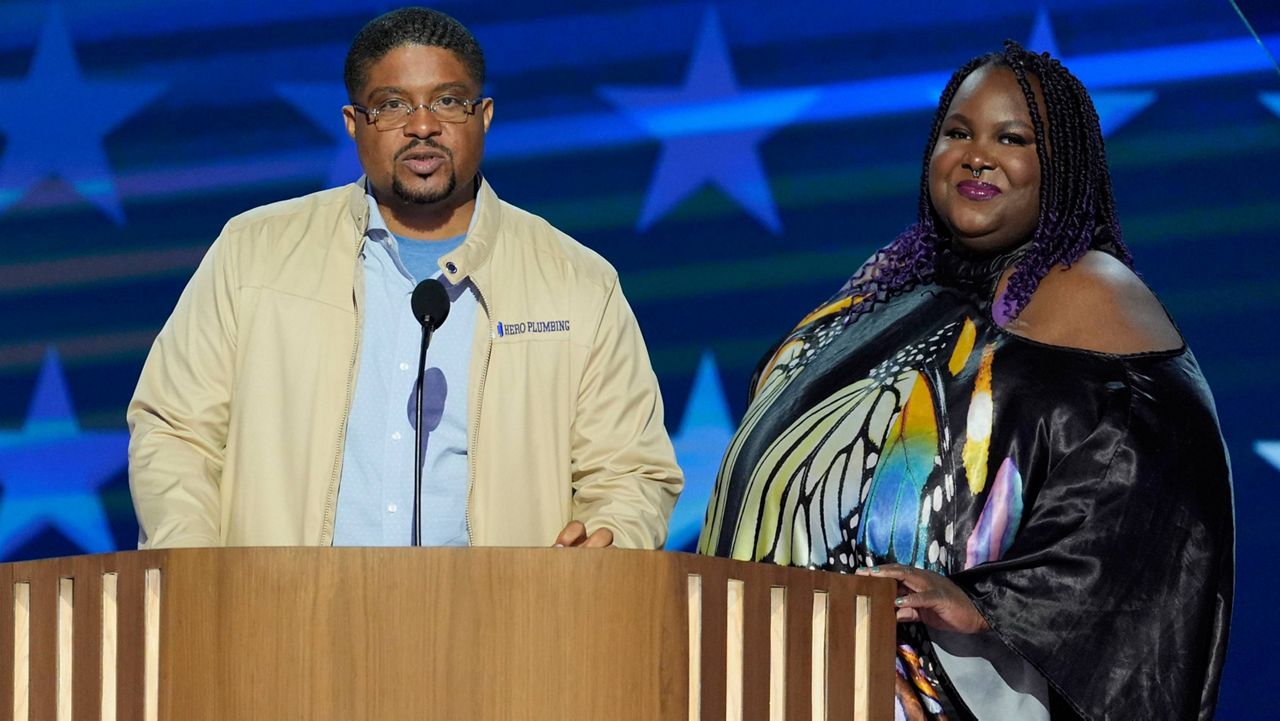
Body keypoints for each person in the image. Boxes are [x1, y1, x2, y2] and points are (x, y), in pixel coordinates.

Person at [698, 41, 1232, 721]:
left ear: (1060, 167)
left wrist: (992, 606)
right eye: (958, 132)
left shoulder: (1085, 290)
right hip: (773, 668)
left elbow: (1156, 491)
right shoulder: (898, 281)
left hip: (924, 688)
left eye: (1012, 138)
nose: (977, 155)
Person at [128, 7, 682, 551]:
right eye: (392, 105)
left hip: (502, 629)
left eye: (447, 101)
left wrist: (609, 537)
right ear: (353, 123)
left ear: (483, 115)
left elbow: (630, 473)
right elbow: (176, 432)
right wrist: (195, 569)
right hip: (284, 623)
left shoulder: (578, 283)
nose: (422, 126)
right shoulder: (254, 253)